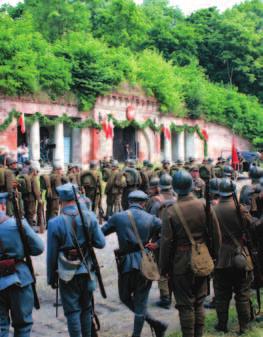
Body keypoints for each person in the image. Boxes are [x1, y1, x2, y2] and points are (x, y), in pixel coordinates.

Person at [159, 170, 221, 337]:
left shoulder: (170, 211)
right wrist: (213, 257)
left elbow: (165, 244)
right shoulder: (203, 205)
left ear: (174, 188)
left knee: (185, 305)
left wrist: (163, 268)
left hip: (180, 264)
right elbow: (216, 235)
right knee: (199, 303)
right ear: (191, 186)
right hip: (202, 258)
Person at [102, 190, 167, 337]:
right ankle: (155, 324)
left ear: (129, 202)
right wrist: (156, 243)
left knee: (125, 297)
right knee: (140, 301)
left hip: (125, 263)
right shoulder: (152, 219)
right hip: (145, 263)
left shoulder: (118, 217)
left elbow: (100, 234)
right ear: (144, 203)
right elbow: (168, 234)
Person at [47, 183, 105, 337]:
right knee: (86, 309)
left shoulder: (54, 223)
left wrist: (51, 277)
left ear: (61, 200)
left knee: (72, 312)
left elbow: (51, 255)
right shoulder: (90, 216)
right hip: (87, 269)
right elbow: (101, 243)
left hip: (66, 272)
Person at [0, 192, 44, 337]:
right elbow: (38, 248)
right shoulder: (17, 224)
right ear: (2, 205)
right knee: (23, 326)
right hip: (19, 278)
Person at [213, 178, 254, 334]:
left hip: (220, 259)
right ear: (232, 192)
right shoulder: (240, 209)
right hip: (240, 257)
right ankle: (243, 327)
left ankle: (222, 325)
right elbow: (251, 227)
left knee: (222, 296)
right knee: (242, 294)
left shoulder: (212, 210)